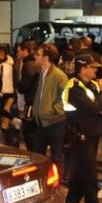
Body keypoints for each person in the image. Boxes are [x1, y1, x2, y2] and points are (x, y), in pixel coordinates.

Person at [60, 55, 102, 203]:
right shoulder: (74, 88)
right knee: (91, 181)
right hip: (80, 139)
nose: (95, 70)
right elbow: (95, 109)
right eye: (92, 67)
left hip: (92, 137)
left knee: (79, 179)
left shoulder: (91, 86)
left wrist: (101, 102)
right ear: (82, 69)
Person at [31, 43, 68, 175]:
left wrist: (51, 110)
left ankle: (57, 184)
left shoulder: (59, 76)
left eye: (38, 55)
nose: (35, 56)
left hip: (55, 123)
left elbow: (65, 99)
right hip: (41, 122)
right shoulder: (41, 74)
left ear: (46, 58)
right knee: (38, 155)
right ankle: (41, 180)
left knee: (56, 156)